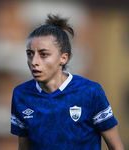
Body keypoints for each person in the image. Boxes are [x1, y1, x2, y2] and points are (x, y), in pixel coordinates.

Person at [10, 14, 124, 150]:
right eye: (30, 54)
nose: (34, 62)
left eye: (43, 54)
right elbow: (24, 148)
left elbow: (116, 147)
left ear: (63, 58)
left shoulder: (89, 92)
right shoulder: (21, 94)